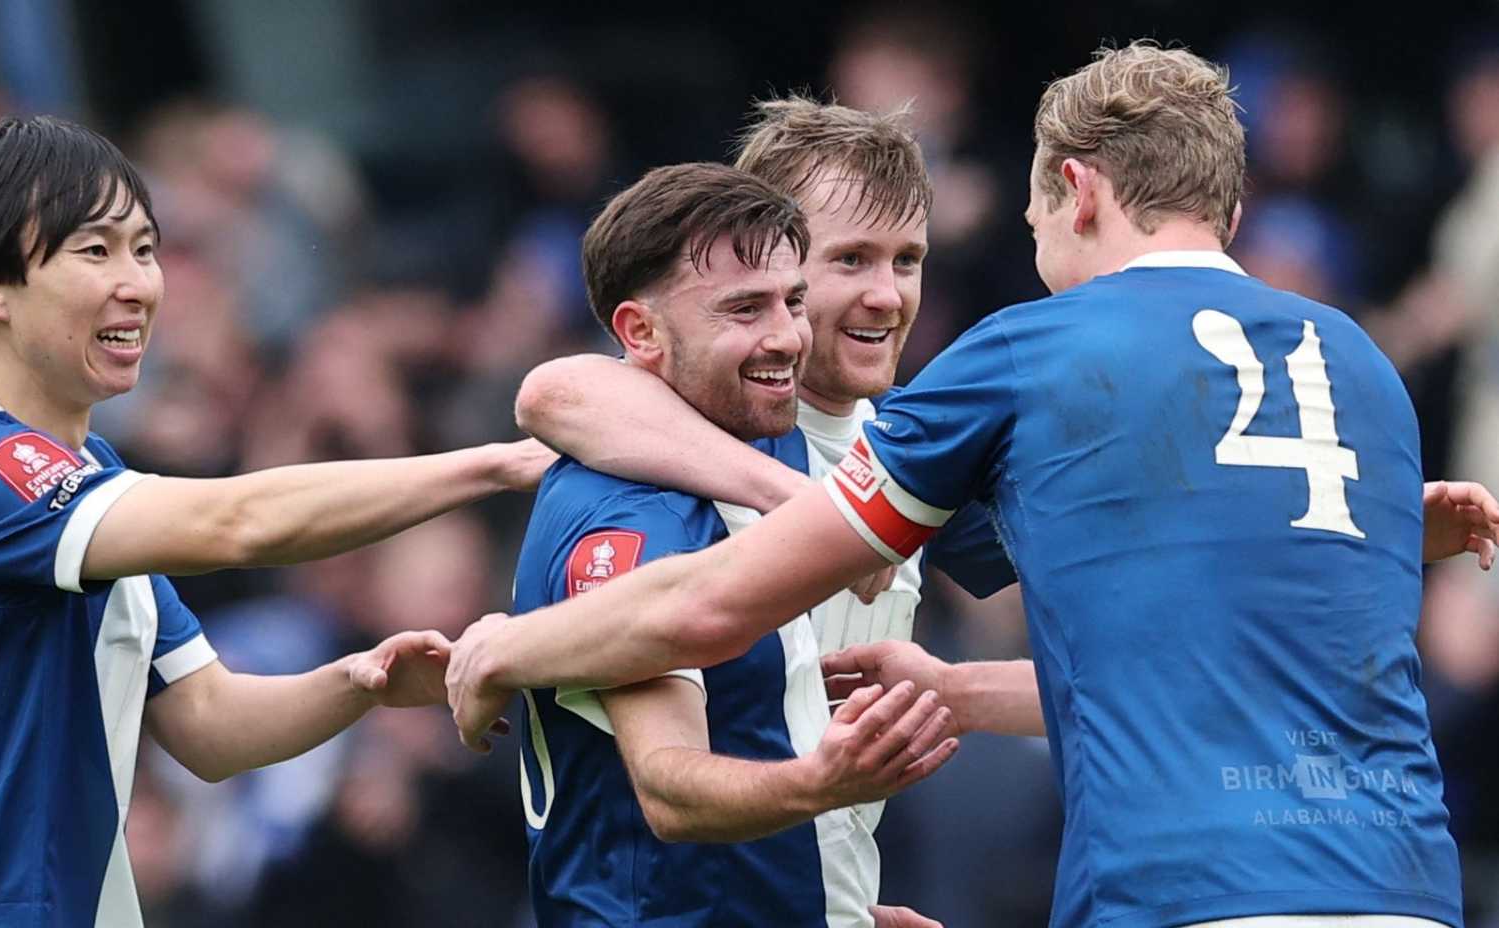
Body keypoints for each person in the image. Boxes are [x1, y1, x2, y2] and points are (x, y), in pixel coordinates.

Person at [450, 45, 1498, 927]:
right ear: (759, 261)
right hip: (1401, 880)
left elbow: (1155, 655)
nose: (886, 294)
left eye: (905, 259)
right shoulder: (673, 453)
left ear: (1076, 190)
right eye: (849, 257)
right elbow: (563, 390)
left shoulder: (935, 444)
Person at [0, 115, 552, 927]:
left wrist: (359, 681)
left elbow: (209, 727)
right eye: (94, 251)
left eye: (144, 249)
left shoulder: (93, 492)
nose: (138, 284)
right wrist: (496, 464)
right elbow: (241, 523)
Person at [507, 161, 954, 928]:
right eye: (744, 309)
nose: (785, 336)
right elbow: (669, 787)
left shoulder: (739, 461)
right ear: (639, 331)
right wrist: (823, 780)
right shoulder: (636, 517)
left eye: (793, 302)